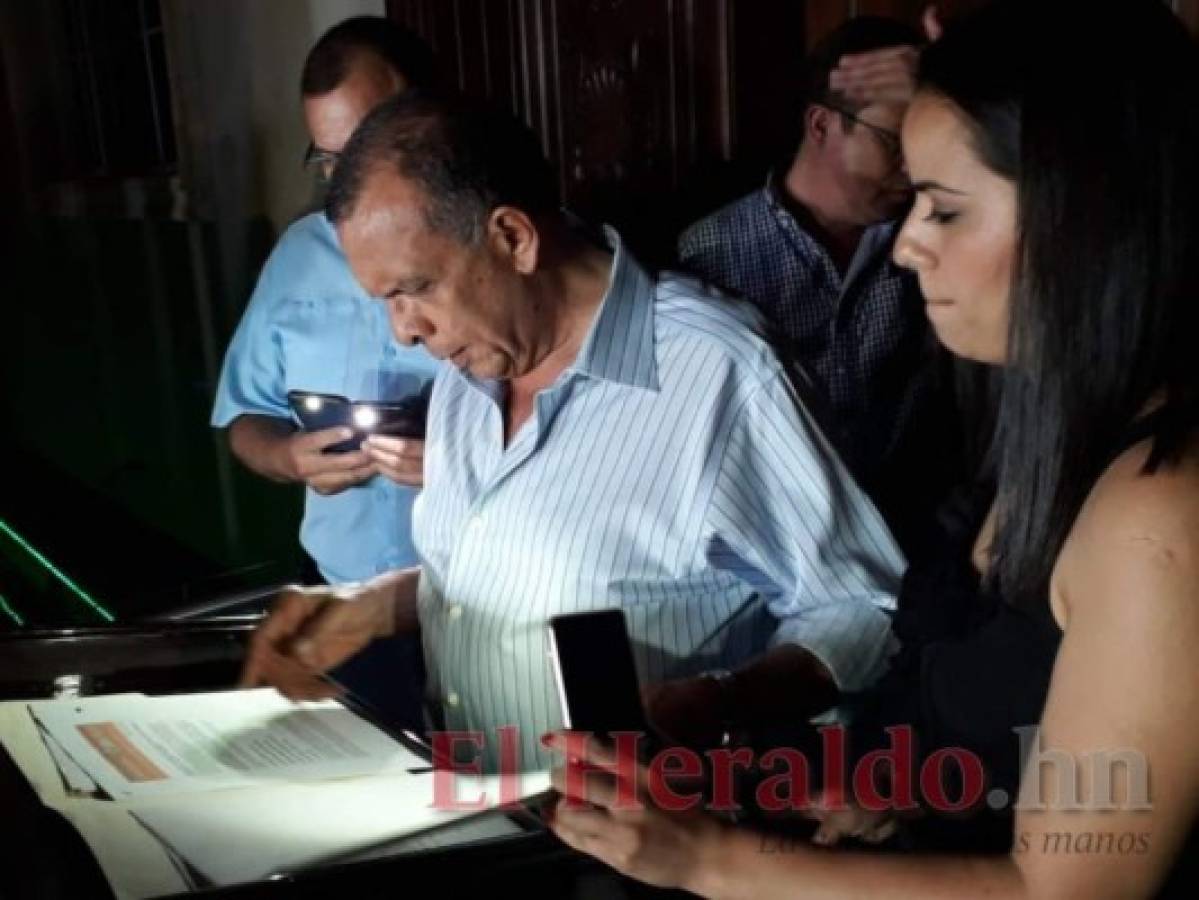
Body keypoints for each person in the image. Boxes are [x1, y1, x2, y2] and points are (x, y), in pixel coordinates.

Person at [542, 2, 1199, 896]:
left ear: (1088, 218)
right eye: (913, 202)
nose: (908, 248)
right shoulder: (1033, 430)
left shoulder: (1156, 512)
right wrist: (889, 792)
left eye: (944, 210)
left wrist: (709, 860)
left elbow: (1062, 889)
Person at [240, 90, 907, 772]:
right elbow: (497, 565)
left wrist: (717, 703)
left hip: (651, 821)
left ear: (513, 238)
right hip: (473, 804)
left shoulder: (722, 373)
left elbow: (865, 608)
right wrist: (367, 606)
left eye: (414, 289)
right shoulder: (469, 371)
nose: (404, 330)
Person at [677, 16, 960, 554]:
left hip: (917, 529)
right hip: (776, 538)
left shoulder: (929, 236)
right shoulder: (714, 253)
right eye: (895, 141)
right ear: (821, 125)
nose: (913, 169)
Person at [211, 17, 439, 587]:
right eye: (331, 159)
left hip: (477, 593)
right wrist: (288, 457)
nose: (345, 184)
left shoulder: (498, 248)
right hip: (338, 587)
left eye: (365, 150)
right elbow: (244, 413)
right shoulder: (298, 255)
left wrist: (463, 463)